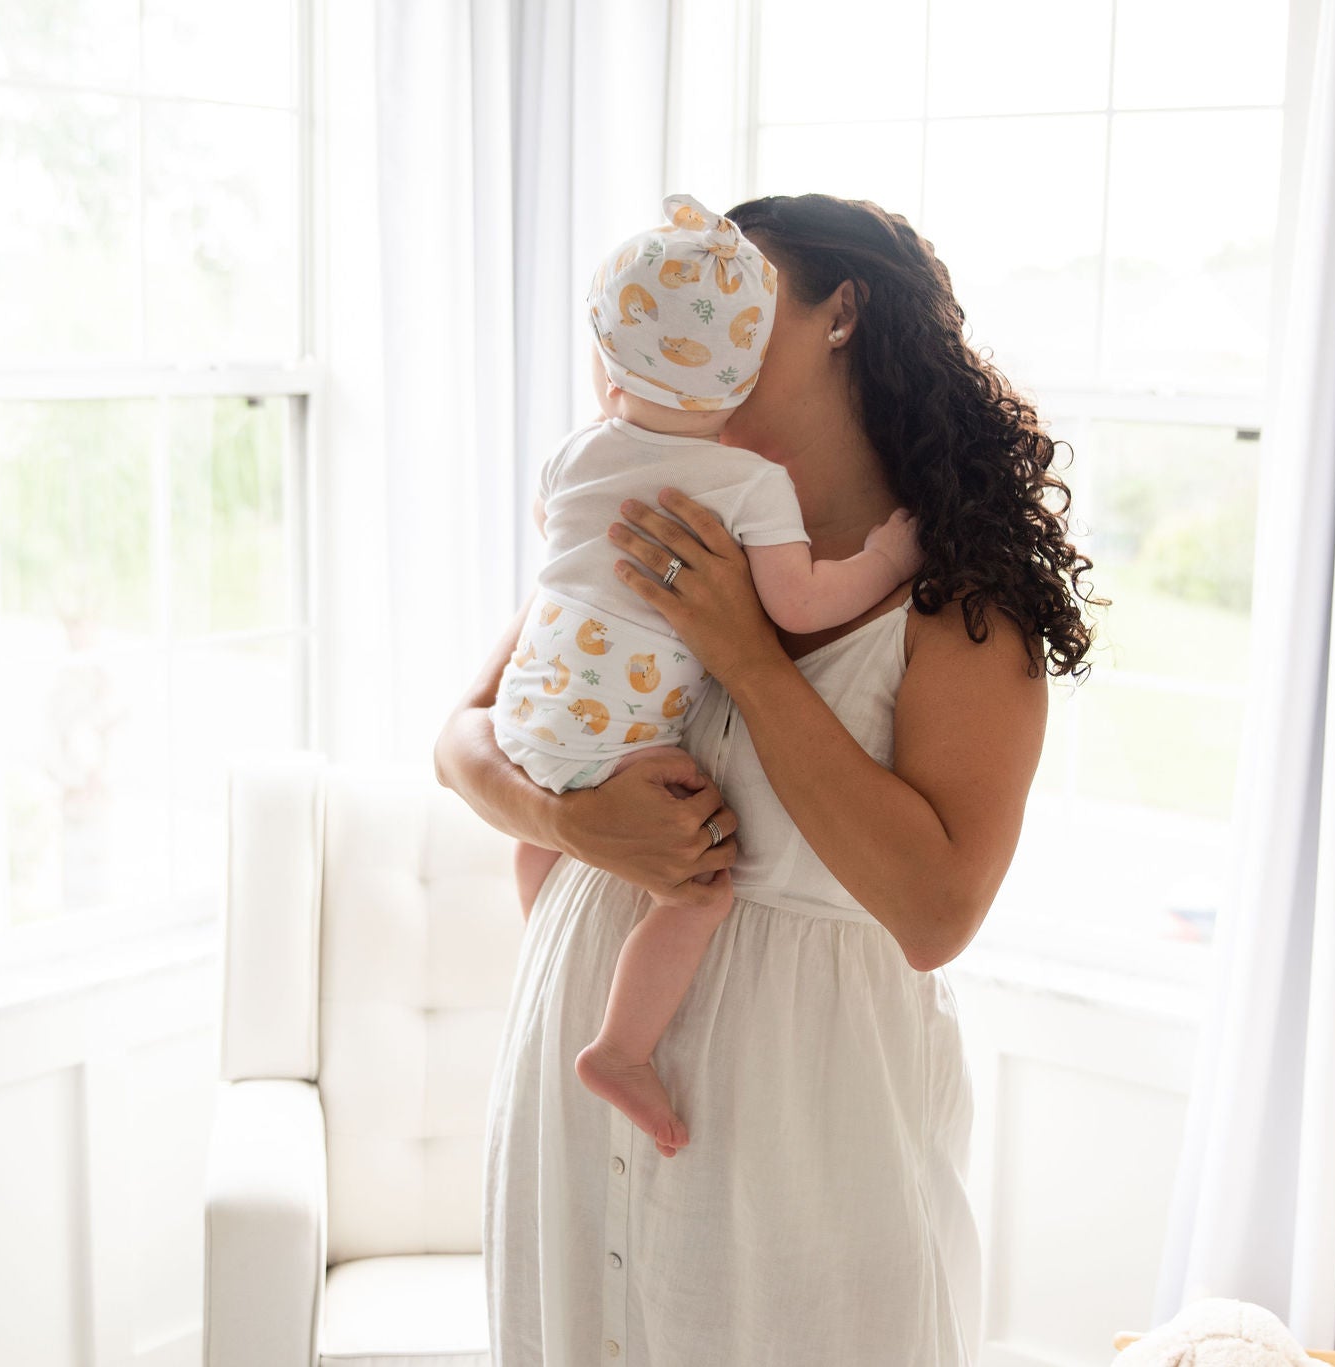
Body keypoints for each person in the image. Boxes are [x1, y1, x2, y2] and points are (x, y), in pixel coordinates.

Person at [434, 193, 1100, 1366]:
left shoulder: (958, 610)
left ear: (839, 314)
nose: (704, 311)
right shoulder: (651, 512)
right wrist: (574, 821)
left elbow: (935, 909)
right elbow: (460, 740)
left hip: (802, 1137)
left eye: (739, 282)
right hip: (570, 1097)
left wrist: (744, 645)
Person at [494, 192, 921, 1158]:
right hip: (615, 740)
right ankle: (620, 1044)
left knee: (537, 847)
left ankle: (545, 942)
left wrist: (558, 825)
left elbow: (548, 532)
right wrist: (891, 560)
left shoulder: (579, 454)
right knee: (702, 893)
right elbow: (803, 603)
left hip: (538, 706)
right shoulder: (745, 488)